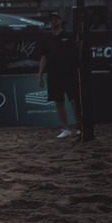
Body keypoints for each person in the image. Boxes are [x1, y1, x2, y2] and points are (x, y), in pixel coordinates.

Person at [37, 12, 81, 140]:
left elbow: (76, 55)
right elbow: (44, 58)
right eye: (51, 20)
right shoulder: (46, 39)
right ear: (49, 22)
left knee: (74, 101)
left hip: (69, 74)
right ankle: (66, 129)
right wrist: (40, 75)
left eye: (56, 19)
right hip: (53, 75)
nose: (54, 21)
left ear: (60, 21)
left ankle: (79, 128)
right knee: (58, 102)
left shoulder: (69, 36)